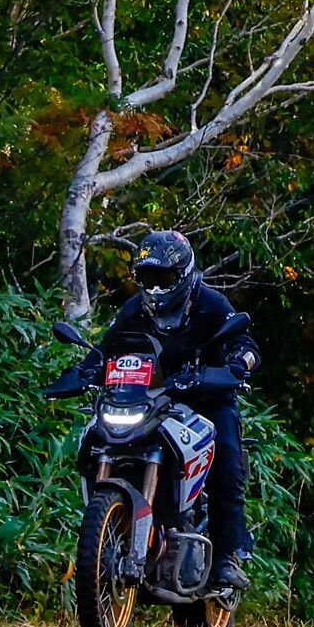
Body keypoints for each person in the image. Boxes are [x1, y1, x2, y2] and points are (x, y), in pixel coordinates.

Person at [46, 230, 260, 597]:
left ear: (184, 273)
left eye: (164, 277)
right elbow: (107, 350)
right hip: (145, 400)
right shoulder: (133, 311)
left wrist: (238, 363)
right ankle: (120, 530)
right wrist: (85, 371)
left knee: (225, 456)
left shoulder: (211, 304)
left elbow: (245, 344)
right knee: (95, 438)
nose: (156, 287)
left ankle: (226, 557)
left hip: (205, 399)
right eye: (148, 278)